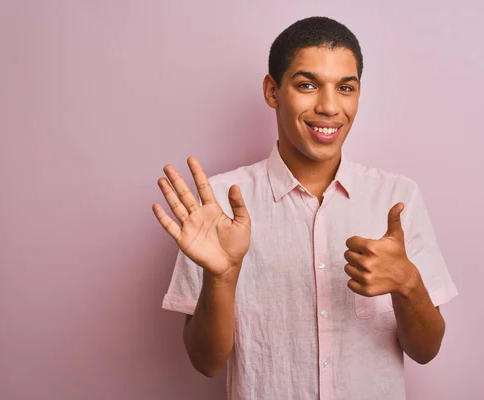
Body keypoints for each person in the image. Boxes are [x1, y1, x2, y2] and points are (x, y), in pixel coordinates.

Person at [153, 16, 458, 400]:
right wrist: (222, 276)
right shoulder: (217, 206)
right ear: (272, 90)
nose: (329, 107)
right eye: (307, 85)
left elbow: (426, 351)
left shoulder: (397, 196)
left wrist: (408, 284)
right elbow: (206, 362)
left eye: (345, 87)